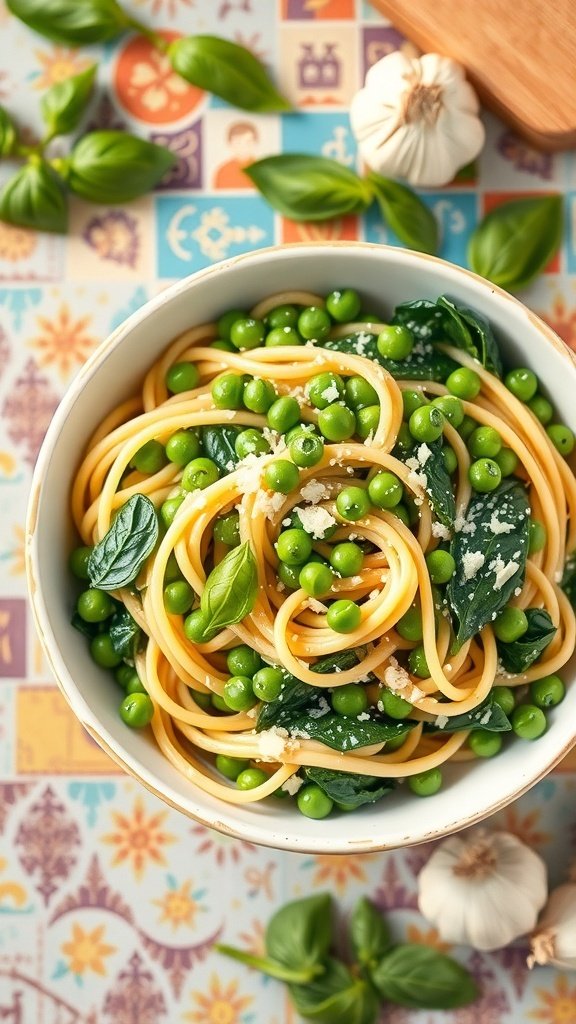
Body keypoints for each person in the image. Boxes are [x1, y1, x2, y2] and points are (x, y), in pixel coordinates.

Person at [214, 122, 259, 189]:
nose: (243, 147)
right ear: (230, 144)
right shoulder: (223, 172)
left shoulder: (262, 169)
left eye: (248, 142)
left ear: (255, 142)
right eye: (238, 143)